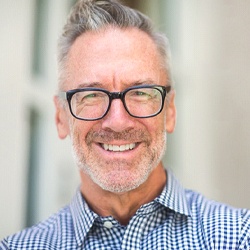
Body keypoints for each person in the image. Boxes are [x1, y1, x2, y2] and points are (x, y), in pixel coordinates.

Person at [1, 0, 250, 249]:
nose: (117, 122)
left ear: (170, 111)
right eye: (91, 95)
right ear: (60, 117)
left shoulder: (238, 237)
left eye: (141, 92)